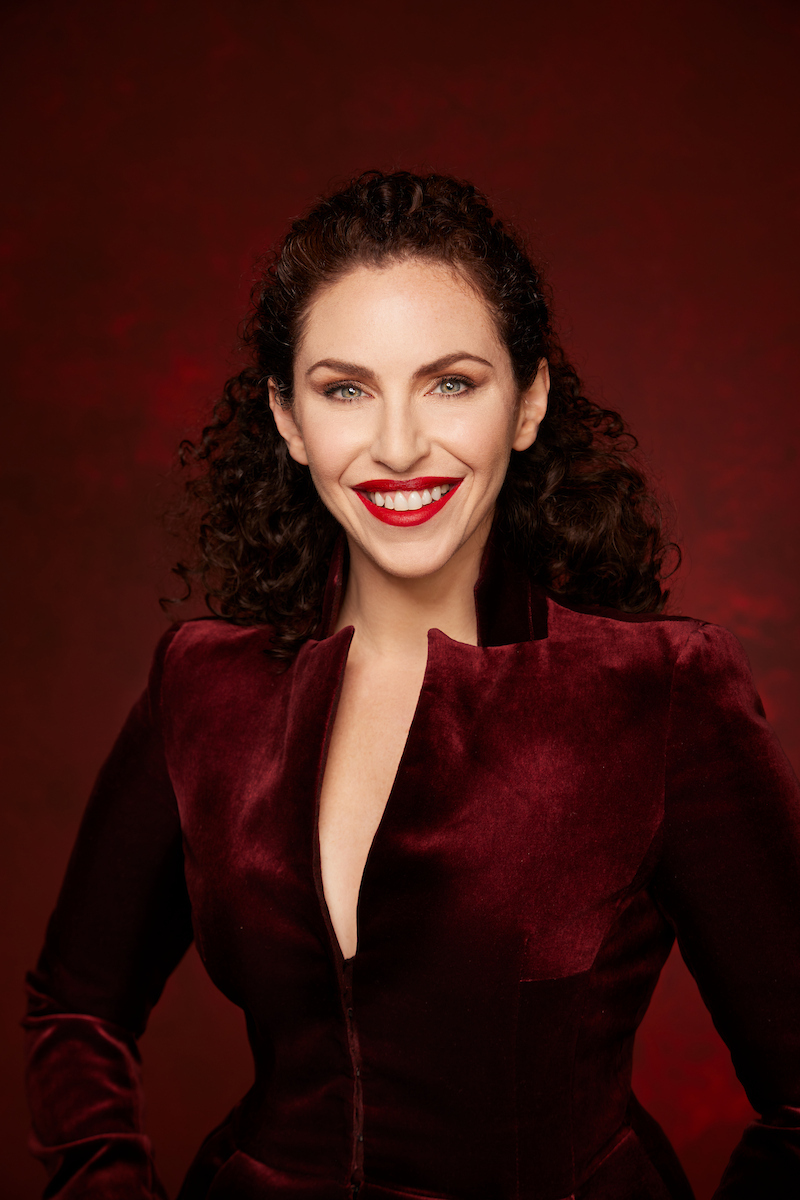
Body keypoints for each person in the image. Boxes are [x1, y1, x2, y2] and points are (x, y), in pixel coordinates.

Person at [24, 171, 800, 1200]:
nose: (396, 446)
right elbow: (75, 1008)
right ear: (289, 420)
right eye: (344, 389)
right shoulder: (199, 685)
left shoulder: (659, 692)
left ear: (526, 402)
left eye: (451, 382)